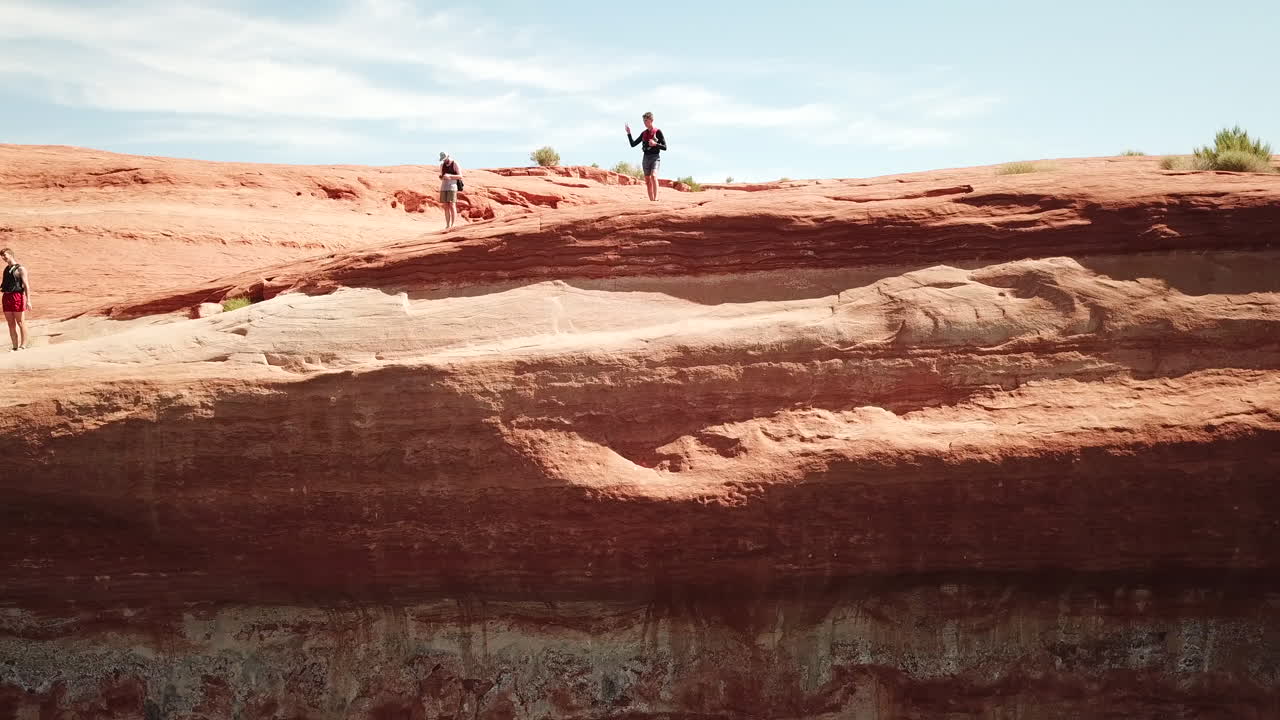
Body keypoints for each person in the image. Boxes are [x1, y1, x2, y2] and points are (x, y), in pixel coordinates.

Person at [626, 112, 667, 201]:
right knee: (648, 181)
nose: (645, 122)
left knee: (654, 176)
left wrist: (655, 144)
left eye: (646, 120)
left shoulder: (658, 132)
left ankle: (656, 199)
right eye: (644, 121)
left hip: (655, 157)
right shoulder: (643, 133)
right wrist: (629, 133)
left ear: (651, 120)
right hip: (646, 158)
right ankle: (651, 201)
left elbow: (665, 147)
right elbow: (633, 144)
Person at [1, 247, 30, 351]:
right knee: (10, 324)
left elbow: (26, 285)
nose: (3, 258)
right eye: (2, 256)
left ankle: (23, 345)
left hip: (17, 296)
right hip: (6, 296)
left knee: (20, 322)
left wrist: (28, 301)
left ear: (10, 255)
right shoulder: (6, 269)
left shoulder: (21, 269)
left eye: (4, 255)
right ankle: (14, 346)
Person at [438, 151, 463, 231]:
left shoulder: (454, 164)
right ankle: (447, 224)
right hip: (444, 187)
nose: (444, 161)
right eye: (443, 160)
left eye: (445, 159)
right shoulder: (442, 165)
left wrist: (450, 176)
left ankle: (453, 224)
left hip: (452, 186)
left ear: (448, 157)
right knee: (446, 206)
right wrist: (442, 177)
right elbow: (441, 176)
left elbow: (460, 176)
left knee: (452, 205)